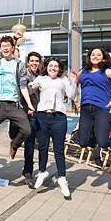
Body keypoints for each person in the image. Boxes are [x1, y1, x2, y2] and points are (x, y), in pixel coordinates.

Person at [29, 57, 77, 197]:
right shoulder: (41, 78)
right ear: (47, 67)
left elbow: (72, 95)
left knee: (59, 149)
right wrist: (33, 85)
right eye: (51, 66)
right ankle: (42, 171)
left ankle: (62, 178)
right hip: (42, 116)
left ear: (59, 68)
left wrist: (73, 81)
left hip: (59, 118)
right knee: (42, 147)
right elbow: (31, 90)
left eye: (56, 66)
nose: (53, 68)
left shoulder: (63, 80)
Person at [0, 35, 31, 165]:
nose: (5, 48)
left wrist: (29, 104)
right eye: (3, 45)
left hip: (14, 105)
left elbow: (23, 85)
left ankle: (14, 145)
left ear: (12, 48)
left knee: (27, 130)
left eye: (8, 45)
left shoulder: (20, 65)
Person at [78, 48, 111, 149]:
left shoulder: (107, 71)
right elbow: (73, 83)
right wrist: (75, 100)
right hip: (85, 109)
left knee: (103, 143)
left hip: (102, 108)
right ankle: (95, 137)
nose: (95, 56)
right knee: (82, 143)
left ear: (103, 58)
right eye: (93, 54)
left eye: (98, 55)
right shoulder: (82, 72)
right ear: (89, 57)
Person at [11, 51, 41, 188]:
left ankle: (28, 172)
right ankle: (14, 144)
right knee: (12, 134)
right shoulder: (22, 74)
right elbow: (23, 91)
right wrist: (34, 85)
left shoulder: (42, 76)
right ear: (28, 62)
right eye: (32, 61)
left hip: (34, 113)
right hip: (19, 111)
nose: (34, 63)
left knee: (30, 143)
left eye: (37, 61)